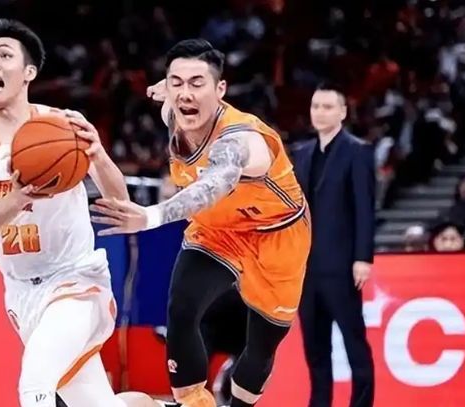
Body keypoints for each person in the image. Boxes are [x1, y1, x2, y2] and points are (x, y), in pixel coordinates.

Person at [0, 18, 159, 407]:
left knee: (35, 381)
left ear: (28, 72)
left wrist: (99, 155)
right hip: (22, 291)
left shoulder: (62, 125)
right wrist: (19, 197)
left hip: (76, 280)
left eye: (4, 55)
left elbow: (119, 199)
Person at [91, 39, 311, 407]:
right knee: (182, 309)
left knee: (262, 344)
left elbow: (215, 185)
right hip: (217, 230)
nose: (185, 93)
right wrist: (167, 90)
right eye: (177, 82)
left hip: (276, 233)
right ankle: (194, 403)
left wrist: (151, 216)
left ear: (220, 89)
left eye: (197, 83)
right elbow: (172, 96)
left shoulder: (240, 139)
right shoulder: (174, 112)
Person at [292, 83, 375, 407]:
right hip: (305, 269)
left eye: (328, 107)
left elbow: (365, 207)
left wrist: (363, 257)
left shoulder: (357, 151)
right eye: (316, 106)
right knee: (315, 348)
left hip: (341, 266)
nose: (320, 112)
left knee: (354, 343)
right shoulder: (302, 153)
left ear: (342, 112)